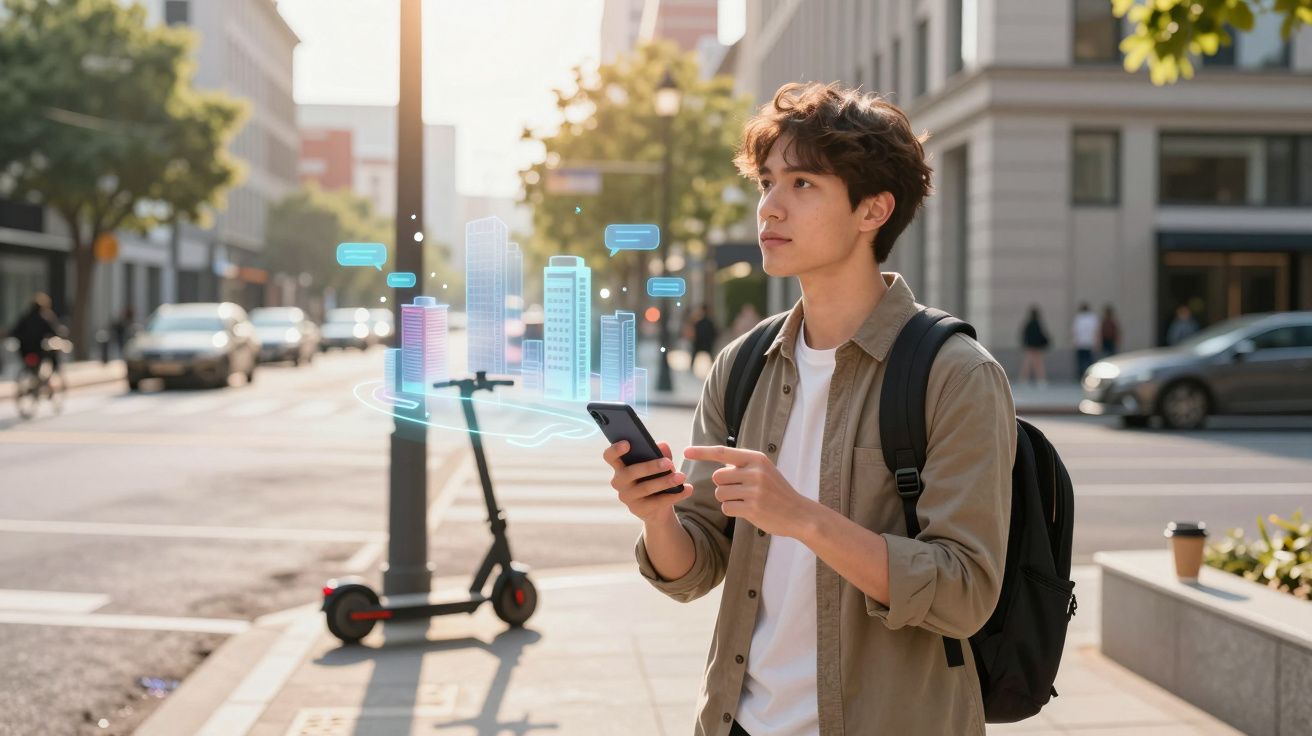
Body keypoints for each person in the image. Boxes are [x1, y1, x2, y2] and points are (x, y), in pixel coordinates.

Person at [601, 82, 1015, 736]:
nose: (769, 206)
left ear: (873, 209)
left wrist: (802, 517)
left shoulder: (956, 375)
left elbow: (964, 592)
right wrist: (658, 517)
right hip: (738, 721)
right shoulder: (742, 365)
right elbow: (695, 568)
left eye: (802, 184)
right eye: (767, 182)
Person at [7, 293, 66, 373]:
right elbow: (53, 331)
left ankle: (34, 371)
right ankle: (55, 370)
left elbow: (14, 331)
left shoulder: (25, 318)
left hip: (24, 351)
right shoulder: (44, 318)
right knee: (52, 354)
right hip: (38, 350)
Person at [1019, 305, 1049, 386]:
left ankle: (1024, 379)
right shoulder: (1037, 324)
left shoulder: (1028, 324)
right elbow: (1040, 335)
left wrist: (1025, 344)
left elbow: (1024, 335)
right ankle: (1041, 380)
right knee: (1039, 363)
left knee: (1028, 363)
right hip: (1037, 346)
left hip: (1030, 346)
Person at [687, 304, 719, 378]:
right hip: (707, 343)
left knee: (695, 356)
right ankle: (714, 370)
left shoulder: (699, 322)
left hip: (699, 343)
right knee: (710, 357)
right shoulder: (710, 323)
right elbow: (715, 333)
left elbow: (694, 333)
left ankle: (691, 369)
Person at [1071, 302, 1099, 379]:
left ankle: (1081, 377)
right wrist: (1096, 342)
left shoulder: (1078, 318)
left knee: (1081, 361)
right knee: (1089, 361)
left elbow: (1074, 331)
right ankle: (1089, 376)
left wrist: (1074, 341)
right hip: (1089, 343)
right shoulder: (1092, 318)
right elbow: (1096, 331)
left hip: (1080, 343)